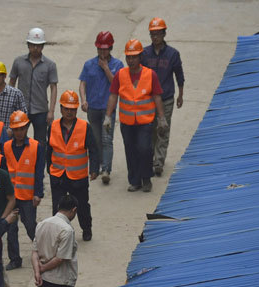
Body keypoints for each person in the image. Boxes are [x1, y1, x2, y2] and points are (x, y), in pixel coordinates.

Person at [104, 39, 168, 193]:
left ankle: (146, 178)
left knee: (144, 149)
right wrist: (108, 116)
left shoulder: (150, 75)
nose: (131, 60)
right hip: (127, 122)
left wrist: (161, 118)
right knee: (130, 150)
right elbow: (113, 96)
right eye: (128, 57)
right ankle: (135, 181)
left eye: (134, 57)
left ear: (140, 57)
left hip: (145, 121)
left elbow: (157, 97)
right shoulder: (121, 75)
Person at [47, 90, 98, 242]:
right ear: (61, 108)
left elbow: (93, 150)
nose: (69, 112)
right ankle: (58, 234)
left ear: (76, 109)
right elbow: (48, 151)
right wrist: (49, 169)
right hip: (58, 175)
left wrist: (94, 169)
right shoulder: (53, 127)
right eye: (66, 108)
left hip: (78, 176)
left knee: (82, 206)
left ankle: (86, 229)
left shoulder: (84, 127)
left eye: (72, 109)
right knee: (57, 207)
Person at [79, 31, 124, 185]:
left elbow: (116, 85)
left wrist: (105, 68)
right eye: (100, 49)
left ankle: (106, 170)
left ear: (111, 48)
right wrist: (83, 100)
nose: (102, 52)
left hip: (107, 109)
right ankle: (96, 167)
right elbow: (83, 83)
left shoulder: (117, 65)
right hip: (92, 108)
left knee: (107, 139)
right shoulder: (88, 64)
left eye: (105, 49)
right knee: (96, 139)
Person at [2, 111, 45, 270]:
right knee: (11, 228)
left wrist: (38, 193)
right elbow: (3, 171)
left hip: (27, 196)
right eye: (16, 129)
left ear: (27, 128)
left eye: (22, 128)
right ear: (12, 130)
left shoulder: (36, 147)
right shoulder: (6, 147)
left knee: (30, 226)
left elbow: (39, 172)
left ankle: (42, 252)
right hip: (11, 196)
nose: (19, 132)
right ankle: (15, 259)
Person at [142, 18, 184, 176]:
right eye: (152, 34)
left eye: (158, 33)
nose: (155, 37)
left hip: (166, 98)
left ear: (164, 34)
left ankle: (159, 161)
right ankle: (151, 157)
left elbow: (179, 75)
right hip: (148, 99)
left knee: (163, 129)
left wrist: (180, 94)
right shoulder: (145, 54)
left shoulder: (173, 54)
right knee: (150, 129)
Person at [10, 27, 58, 152]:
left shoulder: (50, 65)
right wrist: (11, 106)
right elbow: (12, 83)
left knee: (41, 143)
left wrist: (51, 111)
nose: (35, 48)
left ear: (43, 46)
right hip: (21, 109)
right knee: (18, 140)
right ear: (28, 45)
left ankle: (39, 170)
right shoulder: (18, 62)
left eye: (38, 45)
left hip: (40, 110)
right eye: (32, 45)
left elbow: (53, 88)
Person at [0, 60, 27, 127]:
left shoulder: (15, 94)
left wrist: (12, 130)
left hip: (9, 135)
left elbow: (23, 116)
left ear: (4, 76)